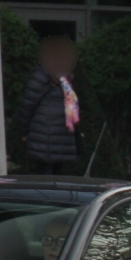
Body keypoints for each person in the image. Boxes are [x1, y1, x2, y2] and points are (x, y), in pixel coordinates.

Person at [14, 35, 82, 175]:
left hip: (44, 135)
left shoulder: (40, 75)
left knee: (44, 178)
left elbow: (28, 105)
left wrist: (22, 129)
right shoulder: (66, 77)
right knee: (57, 177)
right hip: (62, 135)